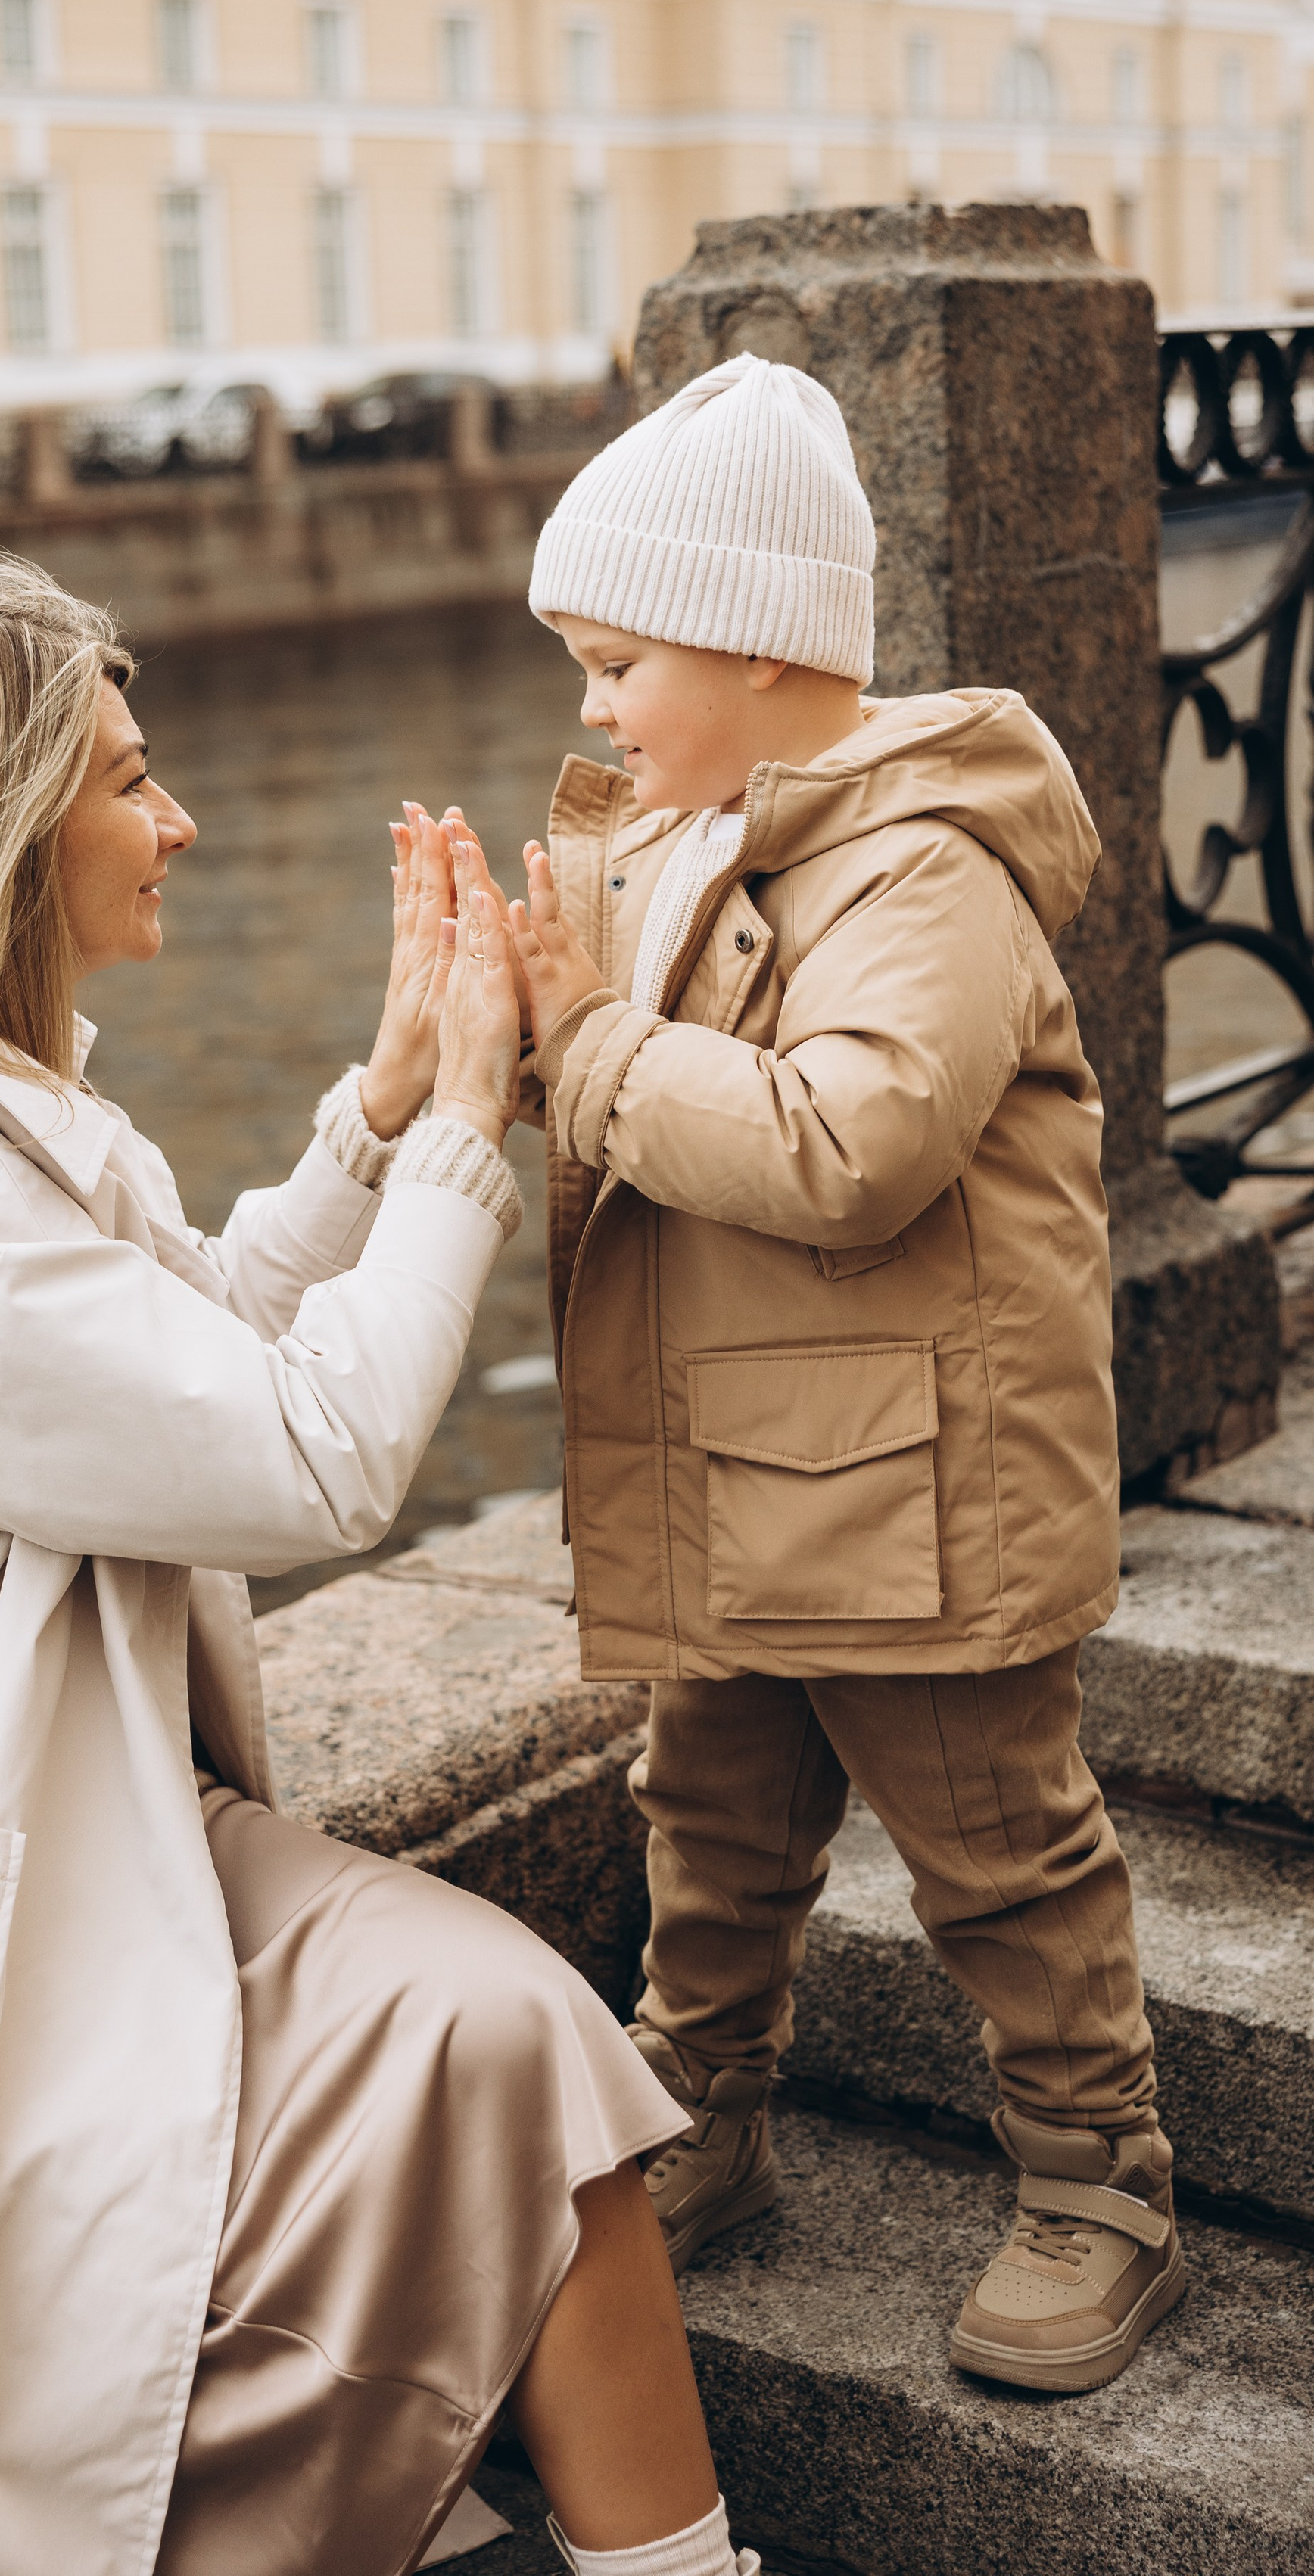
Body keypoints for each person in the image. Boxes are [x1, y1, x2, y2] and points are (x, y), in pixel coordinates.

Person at [0, 557, 761, 2576]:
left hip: (25, 1825)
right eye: (131, 778)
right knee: (499, 2045)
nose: (173, 821)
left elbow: (166, 1340)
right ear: (1, 836)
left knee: (513, 2034)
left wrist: (373, 1112)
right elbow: (304, 1449)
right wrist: (462, 1123)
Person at [462, 352, 1181, 2397]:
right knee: (711, 1815)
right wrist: (491, 1019)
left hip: (913, 1491)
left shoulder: (921, 872)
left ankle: (1098, 2176)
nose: (589, 711)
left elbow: (842, 1153)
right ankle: (700, 2105)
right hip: (736, 1463)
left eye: (617, 663)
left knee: (1001, 1847)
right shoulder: (672, 842)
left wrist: (585, 1040)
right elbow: (624, 1096)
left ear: (765, 649)